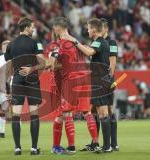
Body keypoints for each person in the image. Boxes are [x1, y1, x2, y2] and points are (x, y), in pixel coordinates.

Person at [48, 17, 100, 154]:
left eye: (54, 27)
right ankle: (96, 143)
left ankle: (71, 147)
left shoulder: (60, 43)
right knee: (87, 112)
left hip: (71, 80)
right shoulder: (76, 42)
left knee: (66, 113)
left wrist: (50, 62)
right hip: (85, 78)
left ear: (58, 27)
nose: (53, 30)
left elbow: (52, 64)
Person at [62, 18, 113, 152]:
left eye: (89, 28)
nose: (87, 30)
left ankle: (107, 146)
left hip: (100, 81)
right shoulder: (98, 43)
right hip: (99, 80)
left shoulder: (99, 42)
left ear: (95, 30)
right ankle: (100, 145)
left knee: (103, 112)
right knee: (99, 112)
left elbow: (89, 52)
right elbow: (88, 50)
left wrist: (74, 41)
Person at [4, 17, 44, 155]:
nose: (33, 29)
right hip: (32, 79)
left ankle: (17, 148)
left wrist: (8, 88)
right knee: (34, 114)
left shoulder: (11, 45)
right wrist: (31, 69)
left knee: (16, 115)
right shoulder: (35, 43)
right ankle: (33, 148)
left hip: (17, 80)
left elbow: (8, 67)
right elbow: (43, 63)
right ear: (26, 28)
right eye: (32, 27)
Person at [81, 18, 119, 152]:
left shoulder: (110, 42)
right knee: (95, 110)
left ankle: (112, 143)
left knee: (108, 111)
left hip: (105, 81)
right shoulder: (96, 42)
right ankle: (96, 142)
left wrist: (110, 79)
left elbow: (112, 62)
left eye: (103, 28)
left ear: (105, 29)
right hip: (99, 80)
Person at [0, 40, 11, 138]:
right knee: (2, 109)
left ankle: (17, 130)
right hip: (3, 87)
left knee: (15, 109)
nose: (3, 47)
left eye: (5, 46)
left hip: (13, 84)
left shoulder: (15, 57)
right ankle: (1, 132)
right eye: (3, 45)